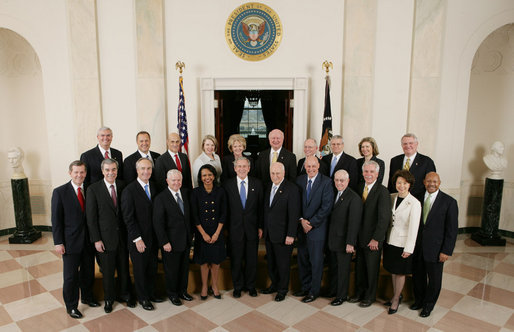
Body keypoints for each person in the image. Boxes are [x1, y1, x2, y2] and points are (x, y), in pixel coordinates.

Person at [51, 160, 99, 319]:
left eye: (82, 172)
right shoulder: (60, 192)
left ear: (85, 173)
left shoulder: (90, 189)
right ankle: (71, 306)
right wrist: (58, 242)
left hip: (88, 240)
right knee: (71, 276)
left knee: (88, 272)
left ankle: (87, 297)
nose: (79, 175)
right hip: (70, 242)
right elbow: (56, 220)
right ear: (70, 173)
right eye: (76, 172)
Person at [86, 159, 134, 313]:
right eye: (107, 170)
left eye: (113, 169)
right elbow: (91, 218)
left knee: (124, 268)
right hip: (105, 239)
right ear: (102, 171)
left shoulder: (123, 185)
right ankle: (109, 299)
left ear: (117, 170)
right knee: (107, 271)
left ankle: (125, 295)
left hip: (123, 237)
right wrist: (96, 239)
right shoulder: (93, 189)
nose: (111, 172)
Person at [410, 172, 458, 318]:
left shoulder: (449, 202)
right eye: (429, 181)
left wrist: (446, 251)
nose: (431, 184)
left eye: (435, 181)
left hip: (436, 249)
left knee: (435, 280)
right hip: (417, 247)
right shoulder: (415, 198)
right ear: (424, 182)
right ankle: (419, 300)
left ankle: (428, 305)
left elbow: (452, 230)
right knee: (418, 277)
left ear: (440, 182)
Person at [120, 158, 161, 311]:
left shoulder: (155, 187)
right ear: (137, 170)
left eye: (149, 168)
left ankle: (151, 293)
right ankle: (143, 298)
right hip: (138, 238)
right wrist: (137, 238)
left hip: (153, 237)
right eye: (143, 168)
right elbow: (128, 218)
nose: (146, 172)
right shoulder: (129, 190)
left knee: (152, 267)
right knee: (140, 269)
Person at [349, 160, 391, 307]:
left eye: (371, 172)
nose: (368, 174)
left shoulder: (383, 191)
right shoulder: (359, 187)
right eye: (366, 171)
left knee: (371, 270)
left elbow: (384, 218)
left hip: (373, 239)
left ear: (377, 174)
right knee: (360, 268)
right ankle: (359, 293)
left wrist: (376, 239)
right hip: (359, 237)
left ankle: (370, 296)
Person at [294, 156, 334, 303]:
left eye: (313, 166)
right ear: (304, 166)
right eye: (308, 166)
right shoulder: (299, 180)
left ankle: (314, 291)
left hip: (317, 229)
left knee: (316, 262)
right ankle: (305, 287)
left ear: (318, 166)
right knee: (303, 259)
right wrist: (301, 220)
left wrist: (311, 223)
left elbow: (326, 207)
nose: (311, 169)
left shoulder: (327, 182)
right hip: (301, 228)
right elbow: (295, 203)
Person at [223, 157, 263, 298]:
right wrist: (226, 229)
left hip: (252, 229)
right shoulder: (227, 185)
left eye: (244, 166)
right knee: (236, 259)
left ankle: (251, 286)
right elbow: (225, 210)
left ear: (249, 168)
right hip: (234, 230)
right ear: (234, 168)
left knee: (252, 259)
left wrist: (260, 226)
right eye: (239, 166)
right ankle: (238, 287)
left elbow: (260, 208)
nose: (241, 169)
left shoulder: (257, 184)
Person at [153, 170, 194, 306]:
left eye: (179, 180)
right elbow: (158, 223)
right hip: (170, 242)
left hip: (186, 240)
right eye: (173, 180)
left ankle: (183, 291)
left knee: (184, 268)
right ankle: (173, 294)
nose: (177, 183)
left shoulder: (186, 194)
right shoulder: (161, 198)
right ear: (167, 181)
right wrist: (164, 242)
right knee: (172, 270)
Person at [260, 162, 300, 302]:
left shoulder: (291, 189)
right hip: (270, 234)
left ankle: (282, 290)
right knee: (271, 263)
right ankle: (274, 285)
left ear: (283, 173)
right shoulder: (268, 187)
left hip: (284, 235)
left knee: (283, 264)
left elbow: (294, 214)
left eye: (278, 173)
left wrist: (291, 234)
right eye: (273, 173)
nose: (275, 176)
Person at [383, 170, 421, 315]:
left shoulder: (414, 203)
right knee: (393, 270)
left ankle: (396, 300)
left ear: (409, 185)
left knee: (400, 273)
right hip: (391, 240)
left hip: (403, 244)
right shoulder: (392, 197)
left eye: (404, 183)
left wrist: (409, 248)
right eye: (399, 183)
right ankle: (395, 295)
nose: (401, 186)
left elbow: (414, 228)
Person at [191, 164, 227, 299]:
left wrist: (217, 233)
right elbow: (194, 216)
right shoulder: (195, 192)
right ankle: (205, 286)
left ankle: (215, 286)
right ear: (200, 177)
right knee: (204, 261)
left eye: (210, 175)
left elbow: (224, 214)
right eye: (204, 175)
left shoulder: (221, 191)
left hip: (217, 231)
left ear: (214, 176)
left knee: (216, 261)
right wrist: (203, 234)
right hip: (202, 232)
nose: (207, 178)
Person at [327, 170, 362, 306]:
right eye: (336, 180)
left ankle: (341, 296)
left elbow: (354, 223)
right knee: (334, 268)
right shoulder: (335, 193)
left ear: (348, 181)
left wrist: (350, 243)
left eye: (342, 180)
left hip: (344, 242)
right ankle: (334, 291)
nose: (339, 183)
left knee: (343, 270)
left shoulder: (354, 198)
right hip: (333, 239)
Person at [388, 133, 435, 202]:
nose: (408, 146)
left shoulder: (427, 161)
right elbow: (391, 183)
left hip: (418, 201)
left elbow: (430, 185)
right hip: (397, 200)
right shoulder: (395, 160)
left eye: (411, 143)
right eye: (405, 144)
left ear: (416, 144)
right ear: (401, 145)